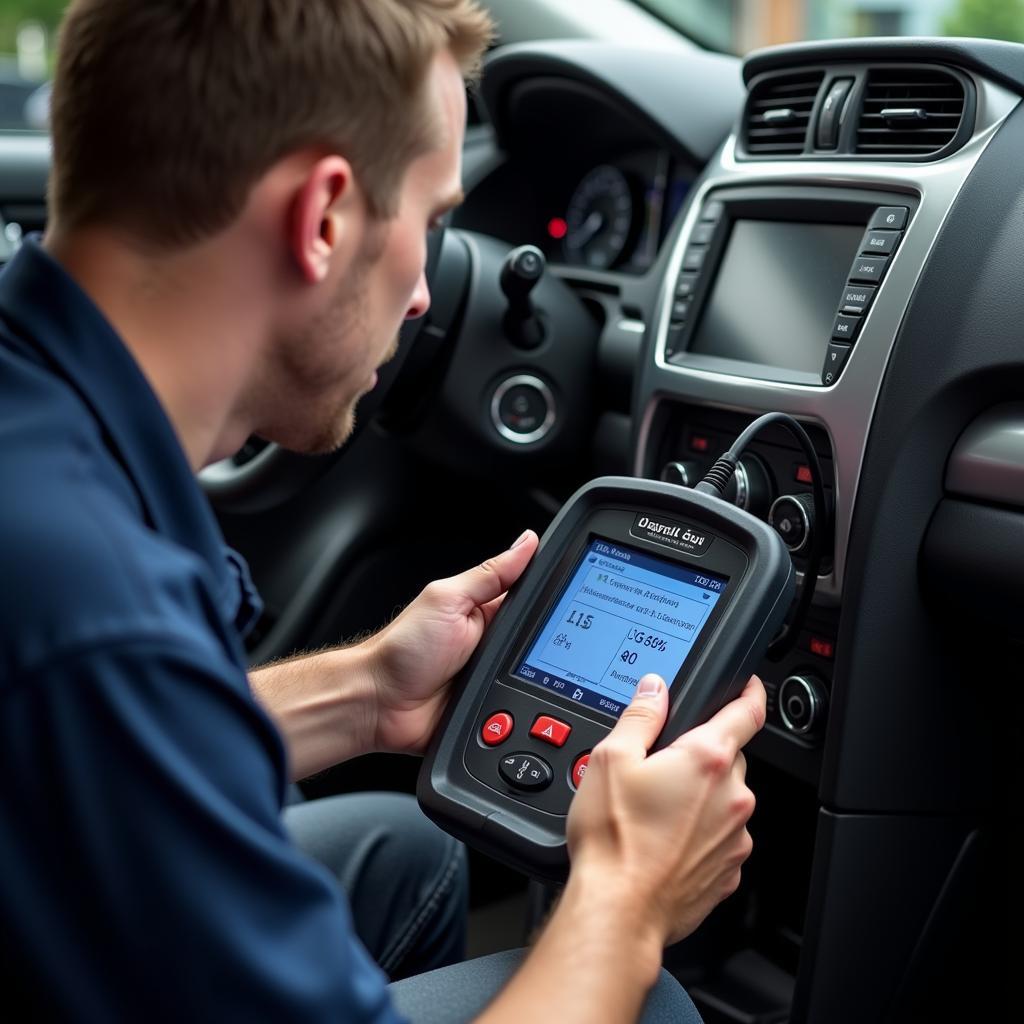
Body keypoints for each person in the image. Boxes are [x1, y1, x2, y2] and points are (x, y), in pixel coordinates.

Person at [0, 1, 765, 1020]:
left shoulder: (43, 441)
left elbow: (97, 750)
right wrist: (627, 896)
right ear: (320, 218)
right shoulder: (100, 610)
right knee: (651, 1000)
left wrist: (365, 694)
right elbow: (113, 685)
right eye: (434, 219)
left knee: (397, 847)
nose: (422, 295)